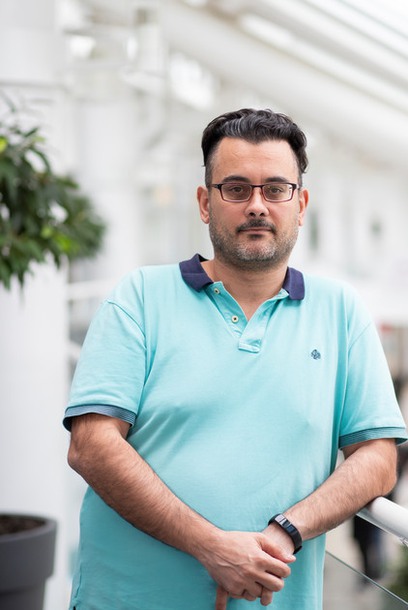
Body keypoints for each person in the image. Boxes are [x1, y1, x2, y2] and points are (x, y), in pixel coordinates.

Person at [63, 108, 407, 610]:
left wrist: (286, 532)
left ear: (301, 203)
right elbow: (91, 445)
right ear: (205, 203)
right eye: (236, 188)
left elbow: (377, 458)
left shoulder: (341, 312)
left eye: (275, 189)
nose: (257, 206)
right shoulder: (137, 297)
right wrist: (211, 546)